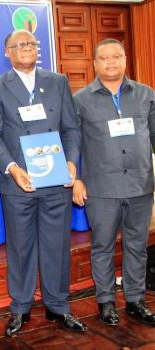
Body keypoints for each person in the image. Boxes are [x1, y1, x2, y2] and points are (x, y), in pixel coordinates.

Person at [0, 29, 87, 337]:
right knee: (21, 248)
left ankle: (59, 306)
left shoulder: (57, 82)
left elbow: (71, 128)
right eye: (19, 45)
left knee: (57, 246)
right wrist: (12, 168)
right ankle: (20, 308)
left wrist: (71, 162)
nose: (26, 48)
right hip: (19, 184)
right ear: (7, 52)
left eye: (31, 43)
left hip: (56, 183)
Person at [73, 38, 155, 327]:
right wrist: (75, 181)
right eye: (104, 58)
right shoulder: (80, 100)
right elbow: (72, 145)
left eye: (116, 56)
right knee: (102, 246)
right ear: (95, 64)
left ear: (125, 60)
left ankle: (135, 300)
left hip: (140, 186)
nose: (111, 62)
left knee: (137, 246)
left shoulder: (146, 94)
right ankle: (106, 302)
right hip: (100, 188)